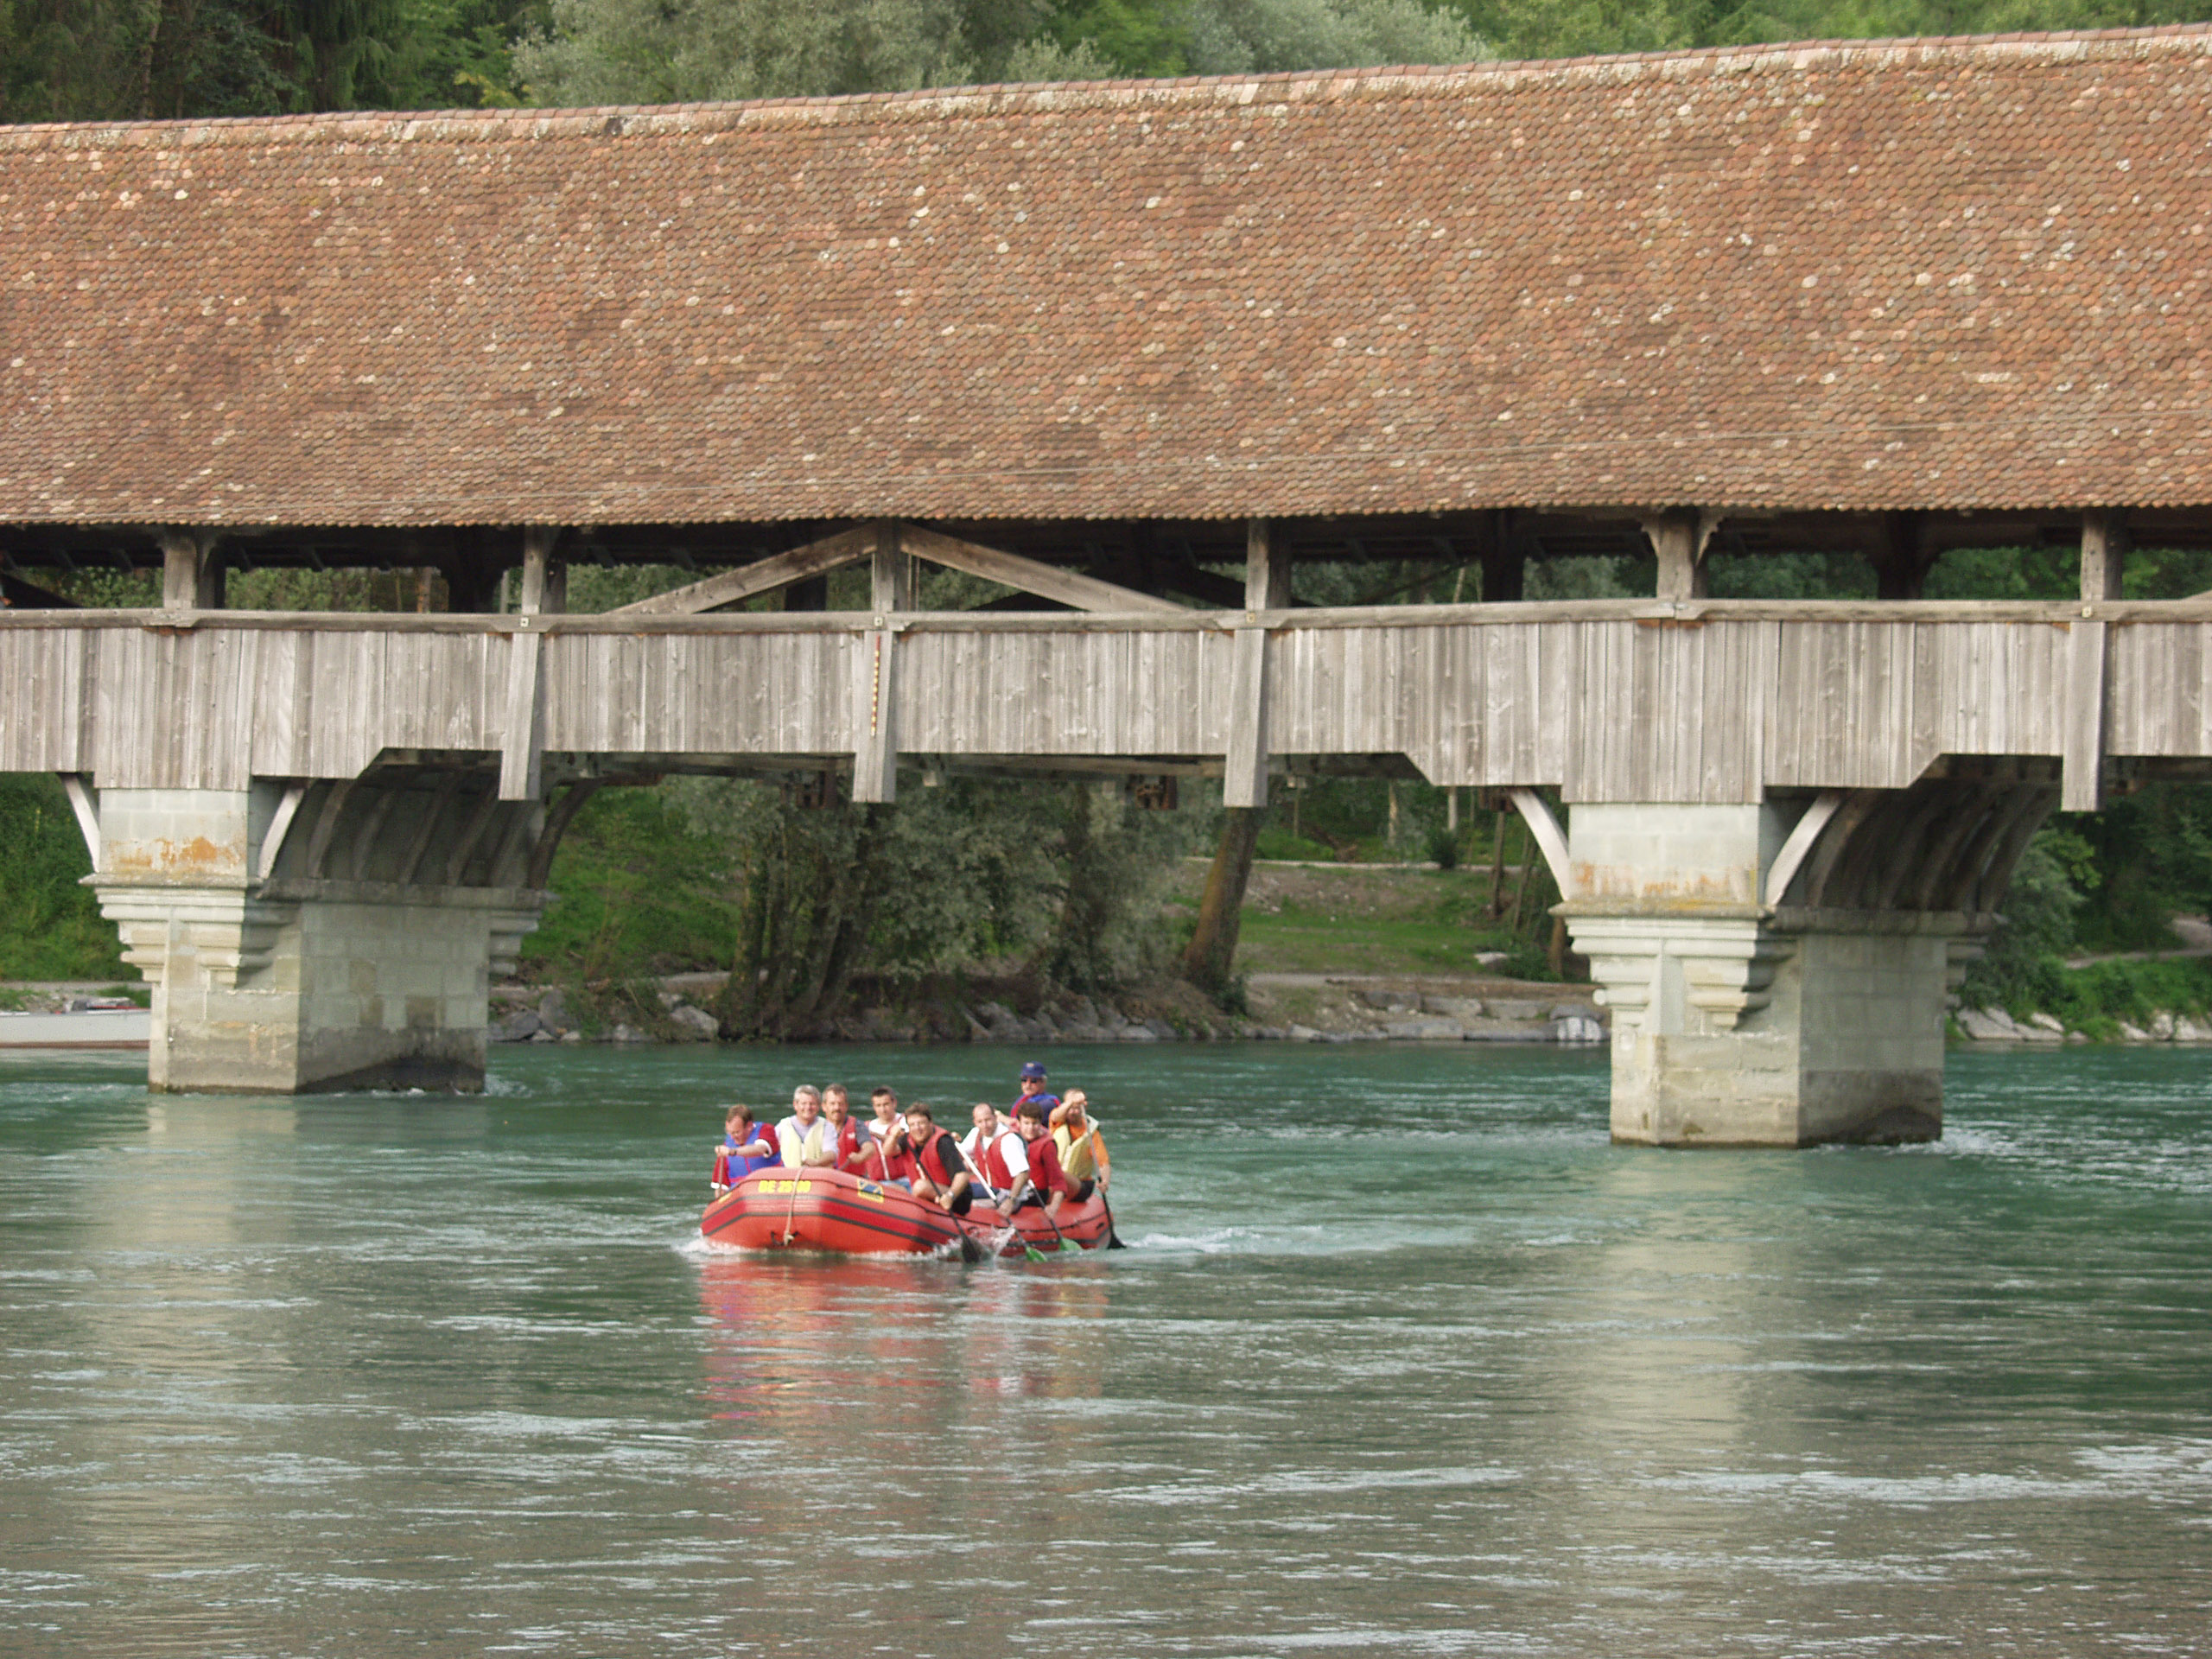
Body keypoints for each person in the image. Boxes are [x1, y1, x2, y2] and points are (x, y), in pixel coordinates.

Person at [900, 1103, 976, 1215]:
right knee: (896, 1188)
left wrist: (950, 1196)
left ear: (930, 1123)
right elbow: (888, 1151)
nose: (917, 1128)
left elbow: (963, 1175)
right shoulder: (907, 1139)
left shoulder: (943, 1142)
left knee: (920, 1187)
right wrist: (893, 1135)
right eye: (912, 1125)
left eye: (921, 1123)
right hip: (932, 1194)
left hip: (956, 1198)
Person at [962, 1101, 1031, 1212]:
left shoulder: (1009, 1139)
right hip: (990, 1189)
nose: (984, 1125)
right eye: (980, 1121)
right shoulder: (976, 1133)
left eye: (988, 1120)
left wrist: (1011, 1200)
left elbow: (1023, 1173)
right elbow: (960, 1153)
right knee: (959, 1188)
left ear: (995, 1118)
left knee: (965, 1199)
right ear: (975, 1122)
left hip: (1008, 1194)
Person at [1011, 1096, 1069, 1221]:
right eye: (1026, 1123)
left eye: (1035, 1123)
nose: (1031, 1128)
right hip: (1012, 1188)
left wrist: (1053, 1206)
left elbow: (1058, 1181)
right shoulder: (1012, 1137)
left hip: (1035, 1194)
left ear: (1040, 1123)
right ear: (1019, 1123)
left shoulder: (1047, 1146)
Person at [1049, 1090, 1110, 1201]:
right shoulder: (1057, 1123)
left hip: (1081, 1185)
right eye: (1069, 1108)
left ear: (1083, 1107)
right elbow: (1056, 1116)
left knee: (1059, 1175)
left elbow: (1103, 1162)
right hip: (1056, 1181)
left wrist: (1105, 1181)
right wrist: (1072, 1101)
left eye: (1076, 1108)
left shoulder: (1092, 1133)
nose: (1072, 1112)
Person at [851, 1086, 914, 1185]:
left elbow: (902, 1142)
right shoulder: (866, 1126)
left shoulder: (905, 1122)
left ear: (894, 1103)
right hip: (877, 1183)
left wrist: (875, 1134)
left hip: (905, 1180)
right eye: (878, 1105)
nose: (883, 1109)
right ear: (874, 1107)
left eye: (886, 1104)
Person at [711, 1104, 778, 1192]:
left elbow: (760, 1149)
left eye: (737, 1132)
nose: (733, 1137)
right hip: (741, 1195)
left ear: (749, 1126)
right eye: (730, 1133)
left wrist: (733, 1152)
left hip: (770, 1190)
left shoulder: (766, 1130)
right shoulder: (727, 1145)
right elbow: (721, 1188)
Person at [777, 1084, 837, 1169]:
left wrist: (817, 1162)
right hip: (788, 1176)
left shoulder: (827, 1127)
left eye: (812, 1104)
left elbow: (831, 1153)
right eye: (804, 1103)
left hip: (817, 1176)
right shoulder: (783, 1126)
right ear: (795, 1105)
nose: (808, 1107)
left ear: (818, 1106)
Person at [820, 1084, 862, 1170]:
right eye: (832, 1104)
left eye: (840, 1104)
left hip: (851, 1177)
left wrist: (860, 1156)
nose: (837, 1108)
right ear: (824, 1106)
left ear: (846, 1106)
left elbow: (869, 1147)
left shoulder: (857, 1125)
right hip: (824, 1176)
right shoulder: (817, 1128)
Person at [1010, 1059, 1061, 1123]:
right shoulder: (1025, 1099)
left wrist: (1002, 1117)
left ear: (1043, 1082)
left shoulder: (1047, 1104)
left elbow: (1024, 1124)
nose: (1028, 1085)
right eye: (1024, 1080)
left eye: (1033, 1081)